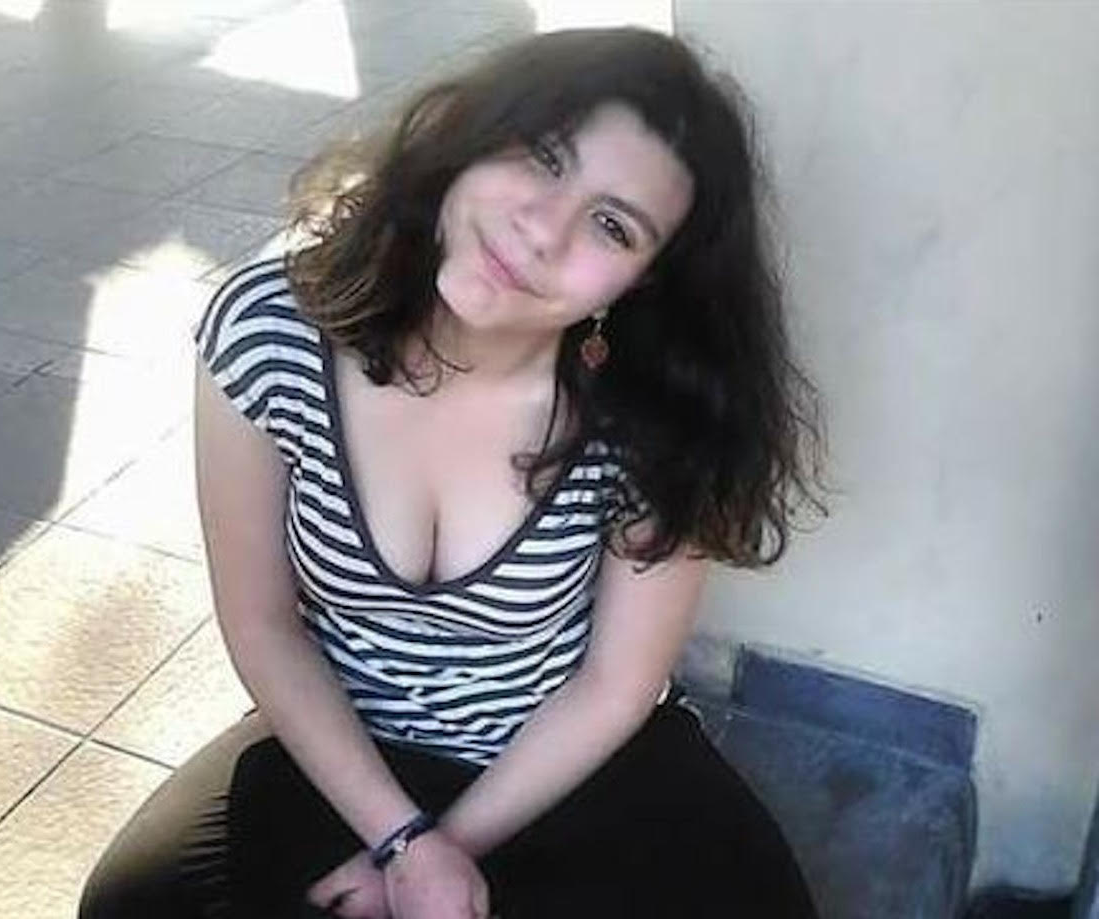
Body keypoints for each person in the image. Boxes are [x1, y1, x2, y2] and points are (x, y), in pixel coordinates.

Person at [80, 26, 825, 919]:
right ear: (472, 138)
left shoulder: (654, 420)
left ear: (640, 283)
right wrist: (402, 837)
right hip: (341, 748)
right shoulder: (270, 331)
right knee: (135, 905)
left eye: (611, 225)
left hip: (558, 760)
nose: (542, 231)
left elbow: (615, 686)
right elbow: (262, 621)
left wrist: (446, 853)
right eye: (543, 157)